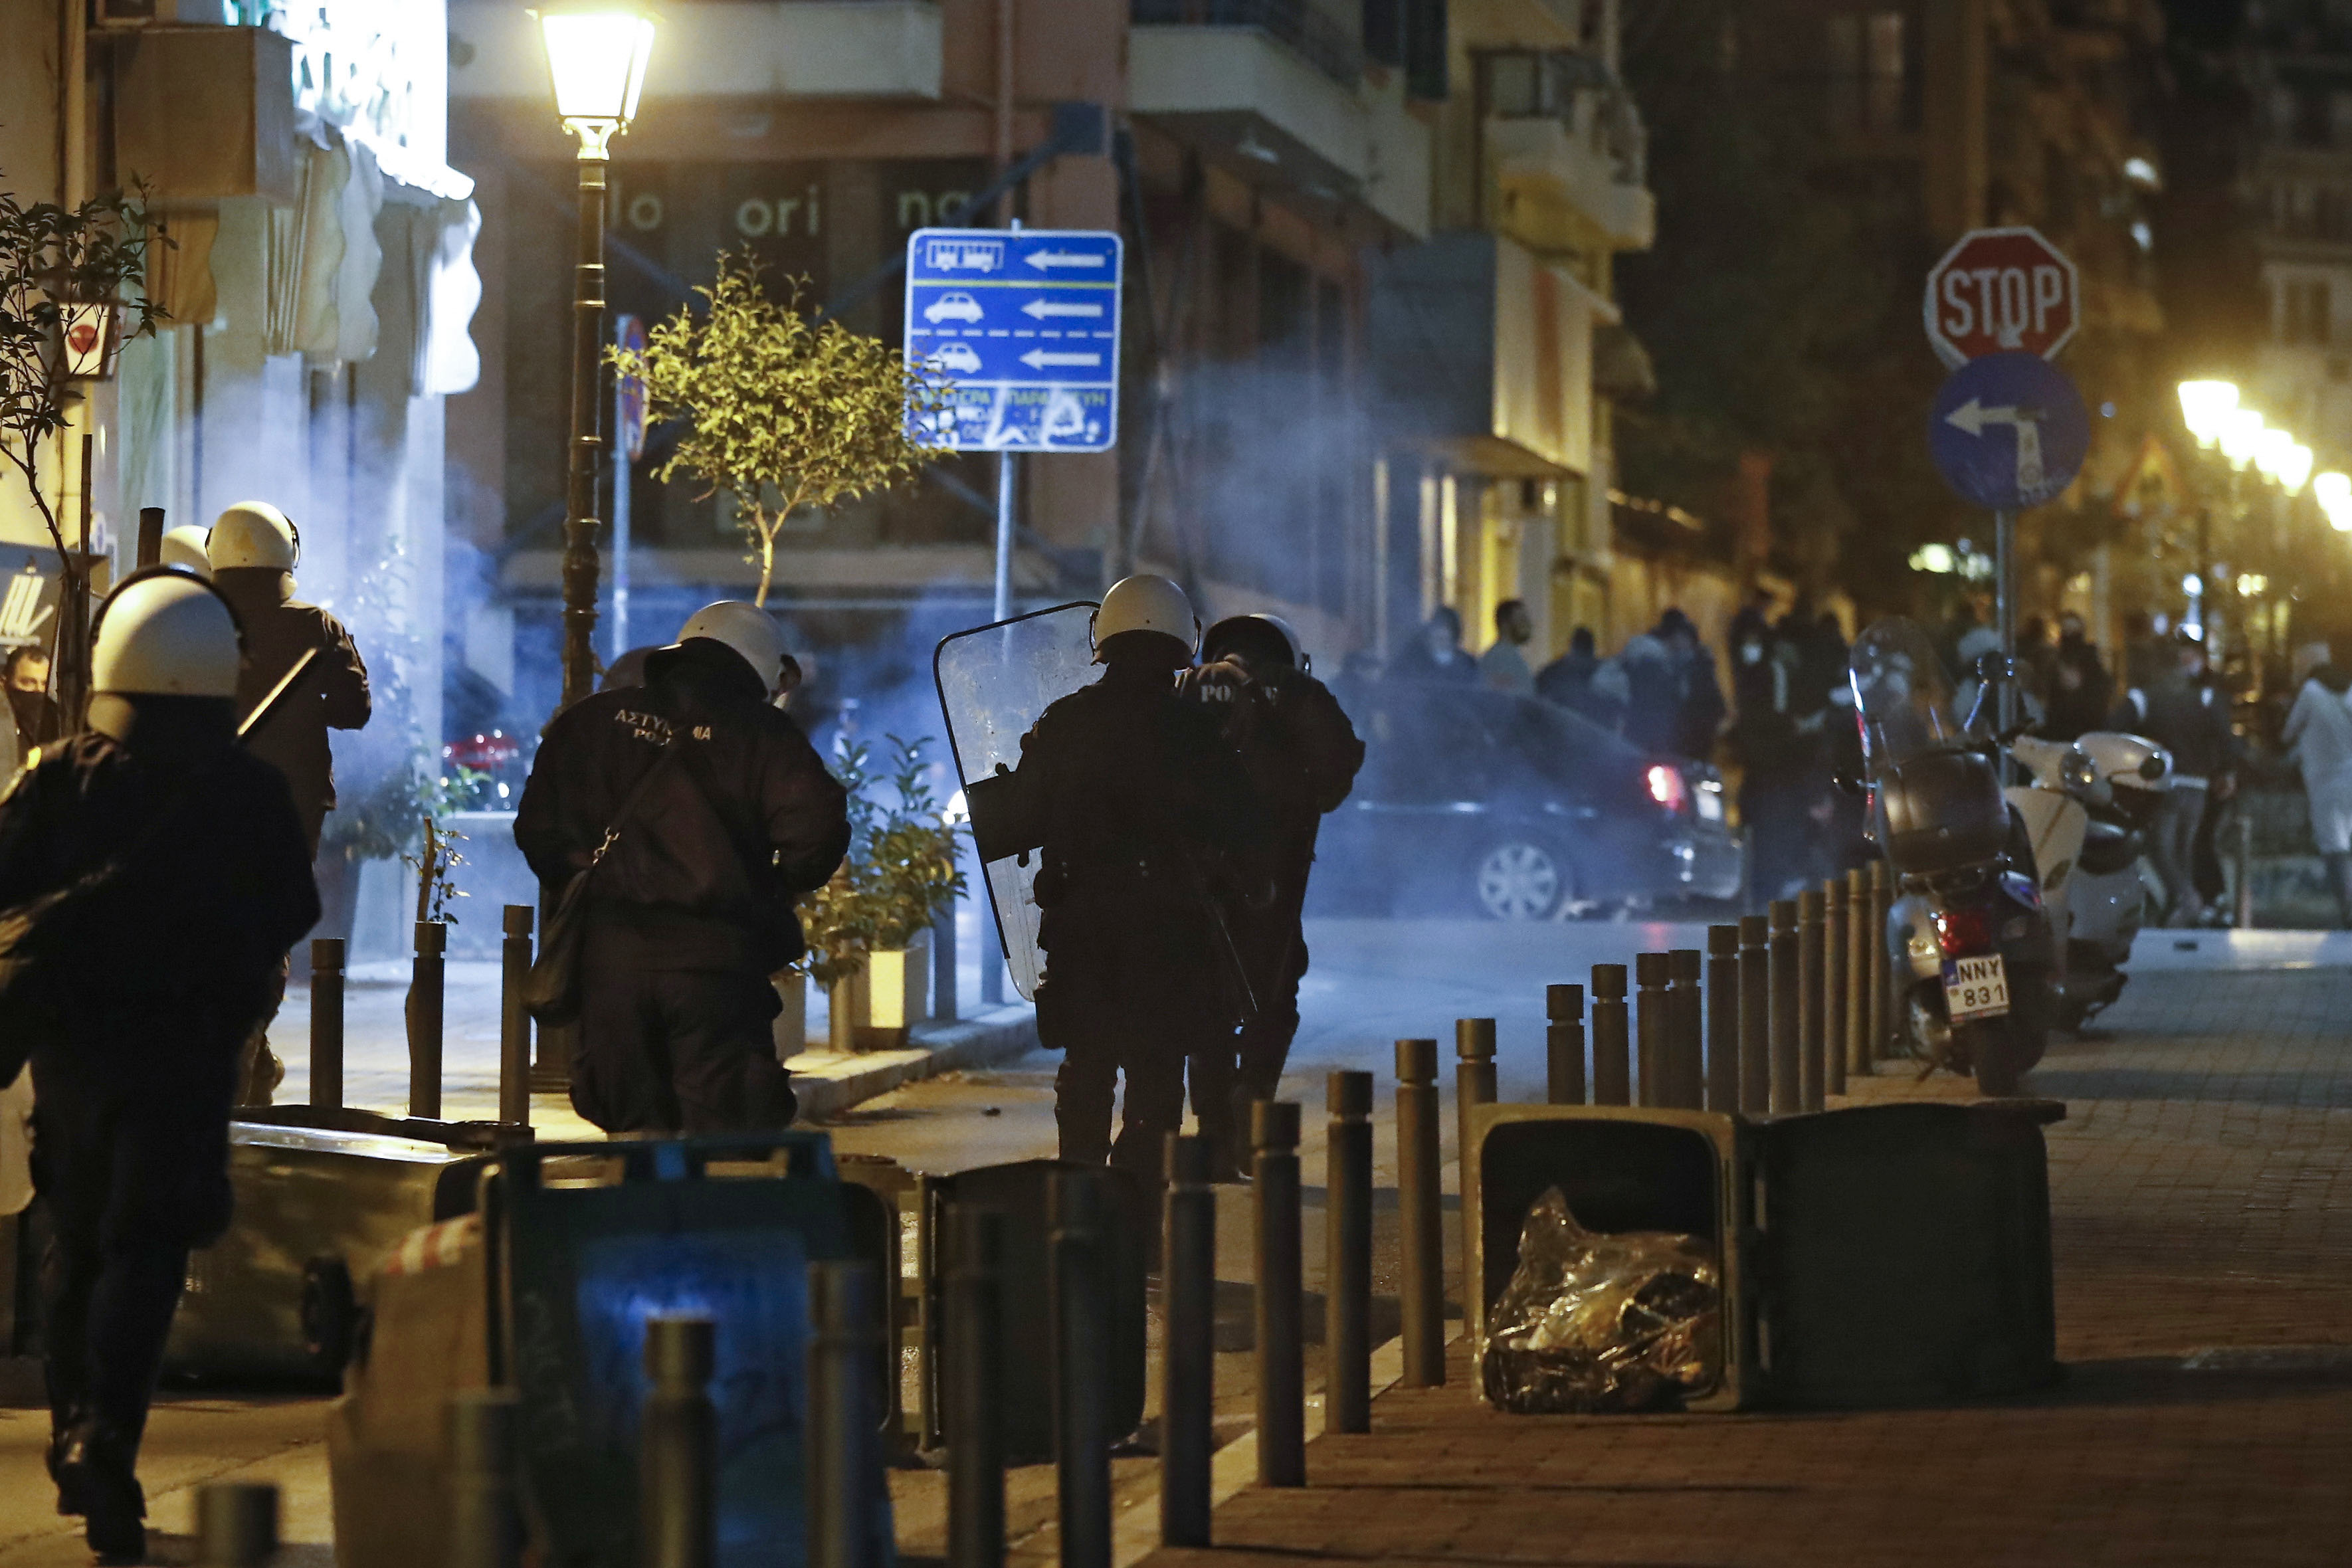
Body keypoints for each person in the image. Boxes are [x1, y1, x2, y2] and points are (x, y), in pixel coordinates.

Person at [0, 572, 318, 1562]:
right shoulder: (250, 792)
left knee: (79, 1240)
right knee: (147, 1248)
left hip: (75, 1052)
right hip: (184, 1057)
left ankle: (69, 1429)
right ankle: (109, 1440)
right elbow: (289, 912)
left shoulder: (58, 774)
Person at [516, 601, 848, 1134]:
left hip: (610, 965)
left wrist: (587, 881)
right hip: (716, 970)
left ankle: (634, 1213)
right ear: (765, 665)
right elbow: (818, 835)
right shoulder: (764, 735)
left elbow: (539, 829)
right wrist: (772, 889)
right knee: (719, 1141)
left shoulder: (593, 721)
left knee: (628, 1133)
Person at [1005, 575, 1265, 1178]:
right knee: (1155, 1082)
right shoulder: (1198, 734)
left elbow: (1018, 819)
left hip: (1082, 934)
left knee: (1087, 1074)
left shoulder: (1062, 724)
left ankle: (1081, 1211)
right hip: (1170, 938)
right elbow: (1246, 828)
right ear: (1182, 645)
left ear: (1105, 641)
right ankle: (1138, 1227)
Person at [1177, 613, 1363, 1177]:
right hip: (1273, 878)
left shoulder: (1186, 686)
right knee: (1274, 1000)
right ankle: (1249, 1106)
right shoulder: (1301, 691)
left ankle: (1212, 1131)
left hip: (1196, 875)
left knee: (1204, 1001)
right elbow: (1341, 766)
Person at [205, 502, 372, 1104]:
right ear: (289, 552)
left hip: (206, 797)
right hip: (290, 802)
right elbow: (355, 711)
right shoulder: (316, 624)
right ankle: (245, 1051)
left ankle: (245, 1052)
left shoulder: (194, 618)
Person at [2120, 632, 2236, 926]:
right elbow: (2225, 737)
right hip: (2198, 785)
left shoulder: (2145, 697)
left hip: (2167, 783)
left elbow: (2116, 730)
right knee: (2185, 847)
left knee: (2161, 846)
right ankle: (2185, 907)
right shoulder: (2203, 698)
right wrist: (2225, 771)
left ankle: (2185, 897)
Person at [2284, 660, 2352, 926]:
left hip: (2325, 779)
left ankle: (2347, 908)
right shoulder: (2349, 691)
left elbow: (2289, 731)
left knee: (2334, 846)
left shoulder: (2311, 692)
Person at [1535, 626, 1629, 731]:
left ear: (1571, 646)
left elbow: (1536, 701)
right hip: (1599, 737)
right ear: (1593, 647)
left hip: (1563, 735)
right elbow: (1621, 710)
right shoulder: (1609, 672)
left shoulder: (1552, 672)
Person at [2043, 613, 2113, 741]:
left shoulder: (2092, 663)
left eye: (2074, 631)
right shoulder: (2054, 662)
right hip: (2060, 732)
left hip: (2087, 732)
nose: (2070, 636)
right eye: (2066, 631)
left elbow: (2100, 697)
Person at [1387, 607, 1477, 684]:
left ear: (1454, 634)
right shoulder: (1414, 661)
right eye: (1438, 628)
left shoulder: (1468, 664)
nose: (1441, 634)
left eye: (1446, 630)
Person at [5, 644, 61, 758]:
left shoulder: (57, 725)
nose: (39, 690)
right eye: (29, 682)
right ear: (5, 684)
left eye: (45, 684)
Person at [1478, 599, 1536, 694]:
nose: (1529, 625)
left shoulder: (1513, 657)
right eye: (1522, 620)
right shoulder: (1499, 660)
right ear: (1505, 625)